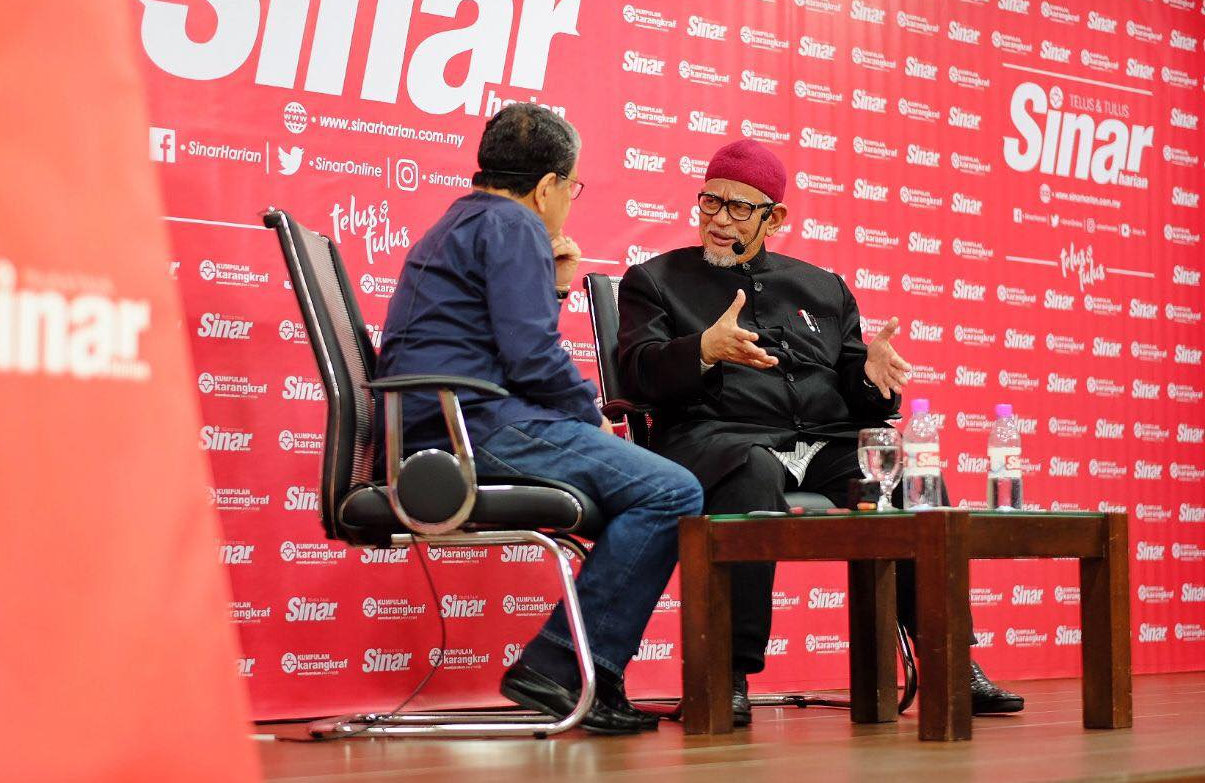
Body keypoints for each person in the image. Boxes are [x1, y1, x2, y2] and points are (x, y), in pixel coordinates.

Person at [616, 139, 1024, 725]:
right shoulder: (655, 280)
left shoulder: (823, 288)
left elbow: (858, 387)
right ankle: (727, 673)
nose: (720, 220)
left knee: (907, 479)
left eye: (739, 208)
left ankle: (951, 659)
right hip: (719, 439)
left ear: (774, 218)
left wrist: (874, 378)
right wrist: (703, 349)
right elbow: (637, 372)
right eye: (711, 202)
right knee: (750, 475)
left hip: (824, 442)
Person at [375, 103, 703, 735]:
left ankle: (570, 666)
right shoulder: (514, 223)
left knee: (653, 489)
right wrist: (591, 417)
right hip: (469, 429)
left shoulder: (465, 220)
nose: (567, 202)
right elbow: (532, 358)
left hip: (446, 421)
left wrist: (552, 287)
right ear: (549, 184)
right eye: (571, 187)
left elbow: (503, 339)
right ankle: (564, 666)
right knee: (673, 491)